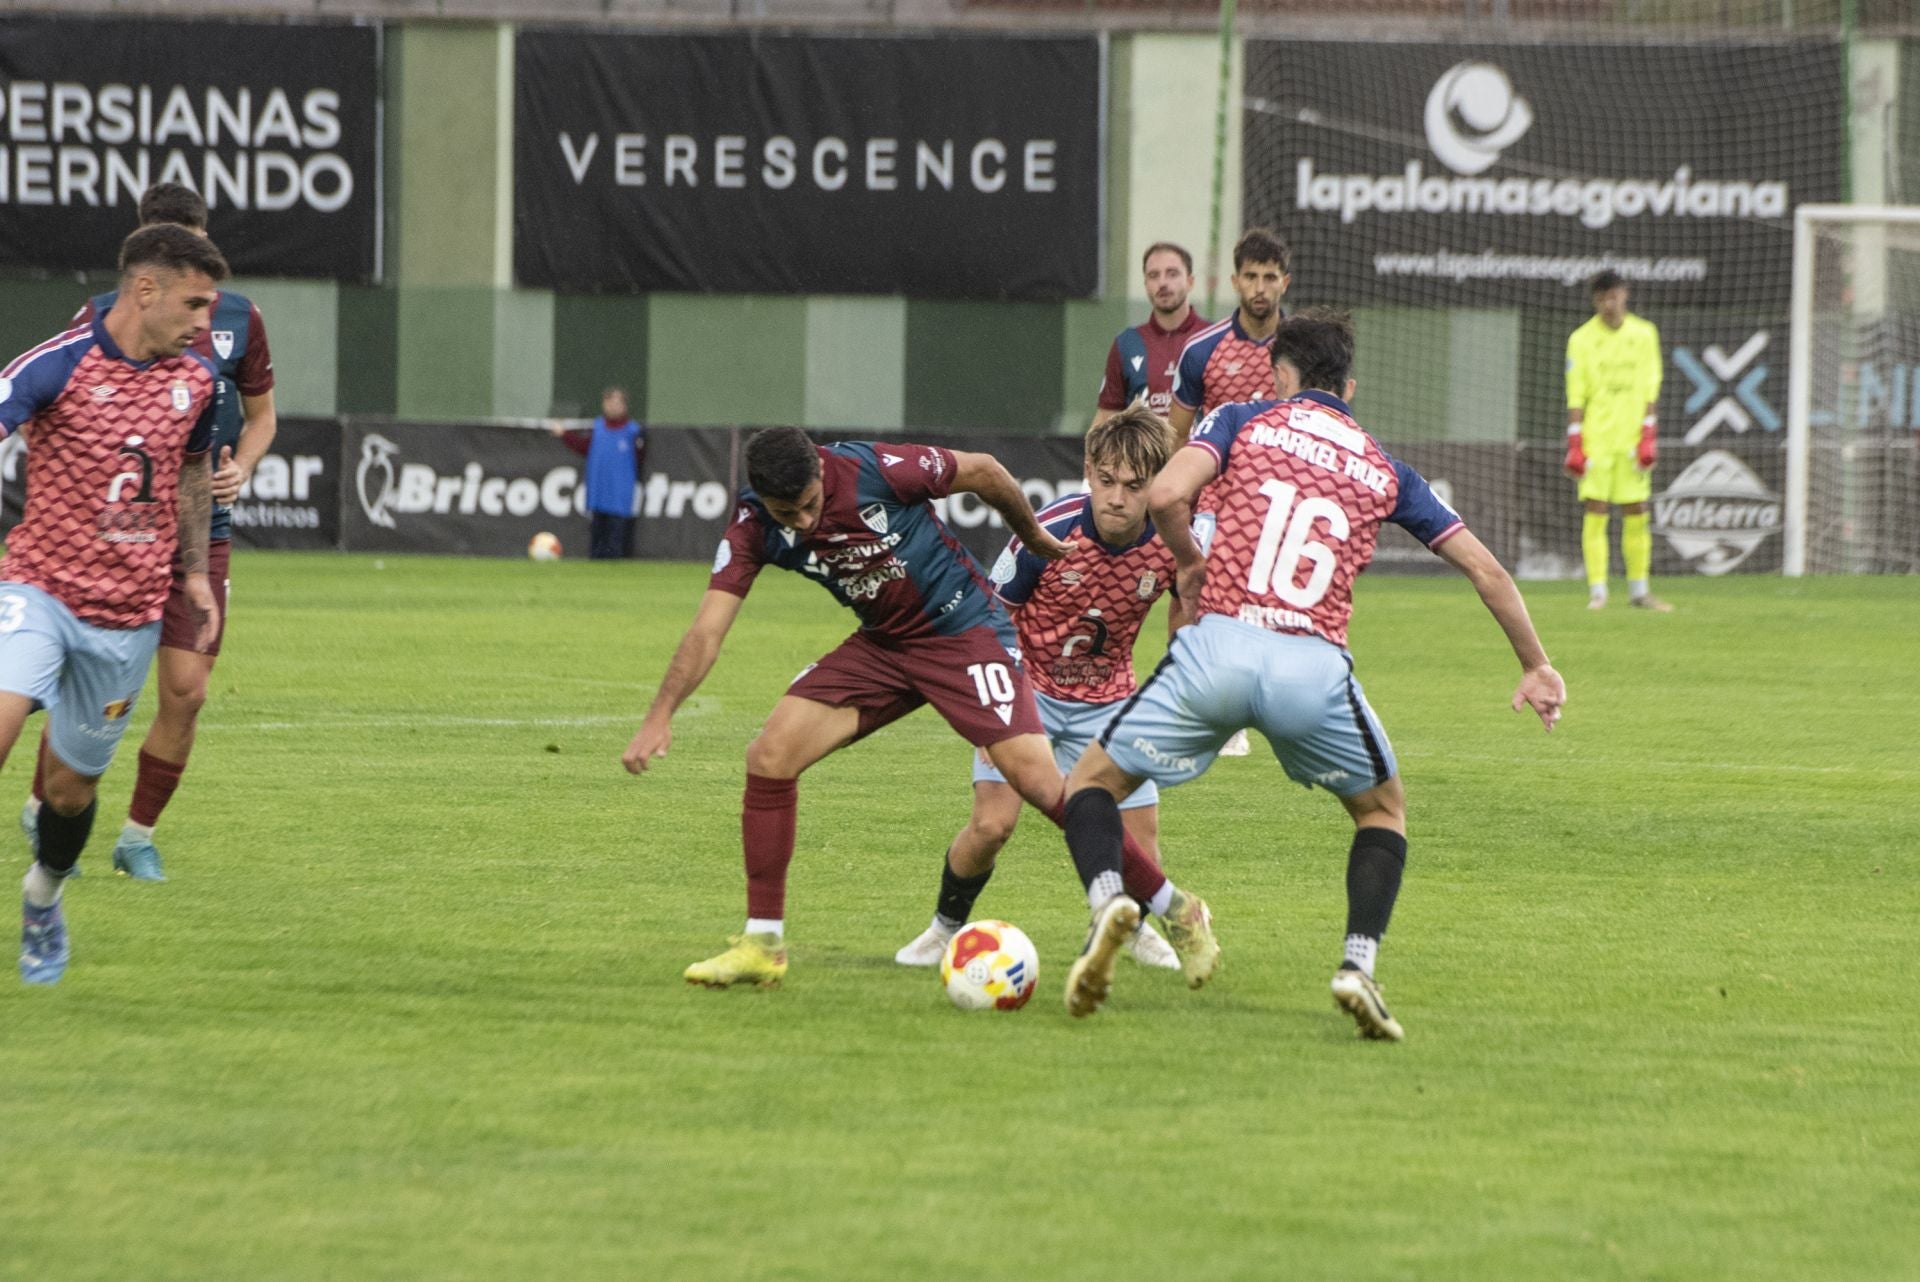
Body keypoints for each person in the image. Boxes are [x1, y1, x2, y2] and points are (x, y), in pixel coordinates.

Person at [1052, 310, 1566, 1031]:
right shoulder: (1385, 467)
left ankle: (1111, 902)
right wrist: (1536, 665)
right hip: (1313, 671)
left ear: (1280, 374)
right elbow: (1487, 571)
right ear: (1348, 386)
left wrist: (1191, 563)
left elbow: (1165, 495)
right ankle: (1357, 966)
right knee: (1381, 813)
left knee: (1091, 783)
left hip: (1219, 650)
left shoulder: (1241, 420)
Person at [622, 427, 1218, 990]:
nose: (803, 522)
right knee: (770, 756)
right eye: (788, 514)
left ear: (820, 472)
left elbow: (984, 471)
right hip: (885, 647)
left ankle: (1178, 910)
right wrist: (659, 714)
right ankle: (762, 945)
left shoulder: (871, 469)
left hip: (965, 631)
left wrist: (1033, 535)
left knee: (1042, 786)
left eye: (810, 505)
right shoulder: (752, 527)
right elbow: (707, 629)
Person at [20, 183, 277, 883]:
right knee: (68, 679)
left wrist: (243, 467)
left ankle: (137, 836)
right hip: (103, 538)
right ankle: (51, 807)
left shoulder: (238, 317)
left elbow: (261, 418)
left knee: (188, 691)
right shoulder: (99, 318)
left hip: (197, 529)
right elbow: (54, 408)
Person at [2, 224, 224, 983]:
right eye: (194, 304)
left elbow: (191, 473)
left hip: (127, 619)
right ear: (146, 289)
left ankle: (43, 893)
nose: (204, 321)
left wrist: (195, 574)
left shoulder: (198, 383)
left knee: (69, 795)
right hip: (38, 591)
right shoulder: (56, 364)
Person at [893, 405, 1186, 973]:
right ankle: (943, 928)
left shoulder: (1173, 539)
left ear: (1158, 483)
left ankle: (1131, 930)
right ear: (1088, 471)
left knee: (1141, 844)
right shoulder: (1048, 530)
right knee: (991, 826)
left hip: (1111, 701)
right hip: (1027, 695)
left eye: (1134, 486)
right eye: (1106, 481)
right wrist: (994, 707)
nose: (1117, 498)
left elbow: (1191, 602)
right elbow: (989, 616)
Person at [1163, 226, 1295, 759]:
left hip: (1283, 500)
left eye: (1270, 277)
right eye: (1251, 277)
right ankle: (1185, 702)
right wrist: (1179, 495)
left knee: (1271, 610)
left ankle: (1253, 710)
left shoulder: (1303, 348)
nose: (1260, 288)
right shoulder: (1203, 350)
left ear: (1285, 282)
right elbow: (1176, 435)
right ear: (1235, 281)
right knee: (1191, 595)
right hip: (1217, 501)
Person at [1564, 270, 1671, 611]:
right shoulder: (1581, 338)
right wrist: (1575, 441)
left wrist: (1649, 433)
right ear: (1595, 301)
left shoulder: (1644, 333)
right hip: (1596, 438)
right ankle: (1598, 592)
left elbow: (1651, 384)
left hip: (1632, 437)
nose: (1609, 304)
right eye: (1602, 299)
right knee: (1596, 508)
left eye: (1613, 296)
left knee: (1637, 509)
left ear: (1624, 294)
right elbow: (1576, 390)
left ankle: (1640, 591)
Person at [1092, 242, 1208, 428]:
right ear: (1146, 284)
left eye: (1172, 273)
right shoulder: (1127, 343)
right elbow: (1106, 418)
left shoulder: (1215, 338)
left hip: (1202, 447)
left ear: (1190, 281)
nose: (1162, 283)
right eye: (1153, 275)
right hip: (1142, 448)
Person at [548, 387, 644, 559]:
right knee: (597, 540)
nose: (613, 406)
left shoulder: (633, 432)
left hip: (619, 495)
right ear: (603, 404)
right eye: (610, 402)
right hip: (599, 492)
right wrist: (564, 434)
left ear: (625, 406)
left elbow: (640, 458)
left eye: (617, 403)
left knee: (616, 541)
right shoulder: (597, 428)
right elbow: (582, 446)